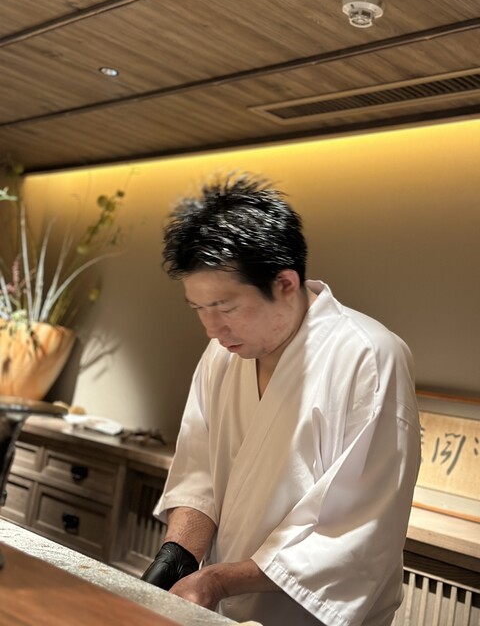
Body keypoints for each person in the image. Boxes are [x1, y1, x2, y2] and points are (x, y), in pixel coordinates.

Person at [141, 172, 421, 626]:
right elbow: (199, 472)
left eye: (226, 308)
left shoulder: (368, 357)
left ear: (286, 284)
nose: (212, 329)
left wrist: (218, 581)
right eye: (199, 309)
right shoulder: (222, 353)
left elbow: (350, 530)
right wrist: (177, 557)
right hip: (220, 607)